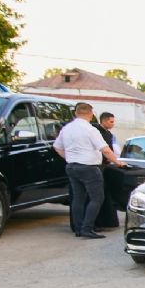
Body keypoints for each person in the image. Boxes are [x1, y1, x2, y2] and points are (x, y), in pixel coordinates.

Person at [53, 102, 124, 238]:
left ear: (76, 113)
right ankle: (87, 228)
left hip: (71, 166)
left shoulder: (66, 129)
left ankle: (78, 228)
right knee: (97, 198)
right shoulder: (90, 130)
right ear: (91, 115)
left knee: (78, 198)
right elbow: (105, 150)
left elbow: (57, 147)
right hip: (89, 168)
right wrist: (118, 162)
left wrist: (69, 157)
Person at [93, 112, 122, 230]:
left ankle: (107, 221)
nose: (113, 124)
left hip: (106, 165)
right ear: (104, 121)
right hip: (97, 165)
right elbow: (104, 150)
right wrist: (117, 162)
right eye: (111, 122)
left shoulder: (109, 134)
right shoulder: (95, 132)